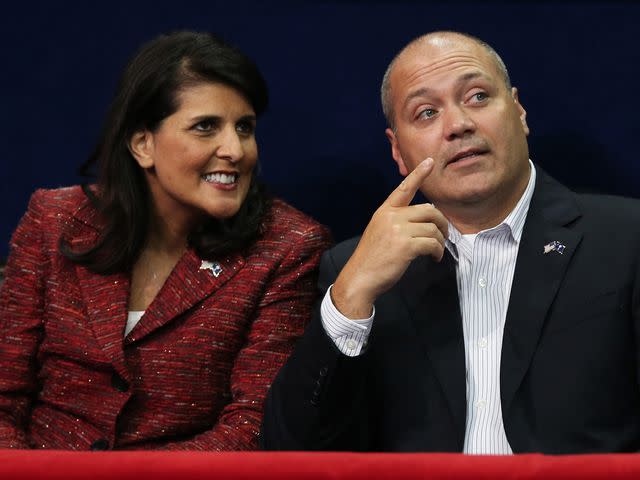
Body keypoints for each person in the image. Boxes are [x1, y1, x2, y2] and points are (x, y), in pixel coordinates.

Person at [261, 31, 640, 454]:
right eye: (425, 113)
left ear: (518, 111)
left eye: (477, 96)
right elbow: (295, 449)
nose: (458, 125)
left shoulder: (626, 239)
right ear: (398, 152)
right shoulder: (356, 270)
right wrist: (350, 298)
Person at [0, 31, 331, 451]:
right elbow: (4, 397)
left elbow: (251, 428)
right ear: (143, 144)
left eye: (244, 128)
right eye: (206, 127)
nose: (235, 150)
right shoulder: (54, 220)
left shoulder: (287, 247)